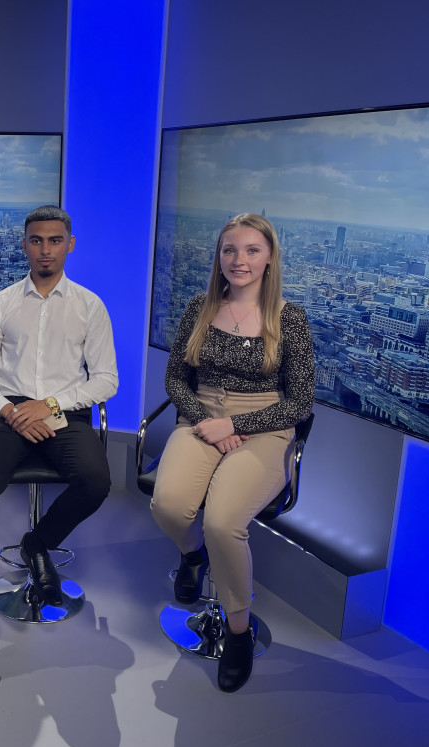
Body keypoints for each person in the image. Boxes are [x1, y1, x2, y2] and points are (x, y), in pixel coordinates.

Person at [0, 205, 118, 696]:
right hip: (9, 414)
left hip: (63, 413)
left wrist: (49, 405)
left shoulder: (90, 306)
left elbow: (106, 379)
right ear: (24, 245)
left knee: (96, 481)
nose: (46, 249)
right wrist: (11, 410)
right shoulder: (0, 303)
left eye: (55, 240)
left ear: (70, 244)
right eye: (37, 240)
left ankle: (37, 542)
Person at [150, 213, 315, 692]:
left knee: (224, 520)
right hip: (202, 418)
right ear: (218, 256)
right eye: (229, 250)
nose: (238, 260)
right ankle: (192, 555)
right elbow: (175, 379)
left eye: (251, 250)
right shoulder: (200, 306)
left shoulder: (289, 318)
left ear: (269, 258)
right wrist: (207, 421)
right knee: (169, 506)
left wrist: (236, 424)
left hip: (264, 428)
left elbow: (299, 402)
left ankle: (238, 634)